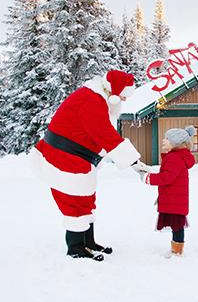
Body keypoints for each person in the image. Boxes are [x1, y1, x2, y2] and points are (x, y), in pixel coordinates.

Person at [30, 70, 149, 261]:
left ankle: (88, 242)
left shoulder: (96, 99)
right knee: (74, 202)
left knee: (86, 199)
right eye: (124, 97)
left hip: (78, 158)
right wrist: (133, 161)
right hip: (63, 158)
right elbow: (105, 134)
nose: (124, 101)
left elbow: (98, 136)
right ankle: (76, 248)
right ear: (115, 94)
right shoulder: (91, 102)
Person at [140, 126, 196, 256]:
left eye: (166, 138)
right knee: (176, 225)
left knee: (177, 225)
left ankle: (177, 250)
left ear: (174, 143)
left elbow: (166, 178)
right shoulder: (176, 157)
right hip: (174, 198)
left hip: (174, 199)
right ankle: (176, 248)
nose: (163, 140)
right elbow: (168, 175)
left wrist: (148, 178)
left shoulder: (174, 158)